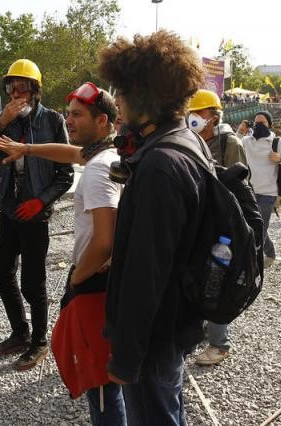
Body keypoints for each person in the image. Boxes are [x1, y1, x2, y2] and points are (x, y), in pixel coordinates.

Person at [0, 82, 125, 425]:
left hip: (94, 282)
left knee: (100, 383)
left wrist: (78, 277)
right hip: (109, 279)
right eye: (68, 114)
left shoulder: (98, 169)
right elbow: (69, 154)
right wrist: (27, 149)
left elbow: (104, 240)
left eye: (78, 115)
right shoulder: (108, 155)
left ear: (104, 122)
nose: (69, 121)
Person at [97, 30, 208, 425]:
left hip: (154, 337)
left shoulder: (160, 165)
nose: (118, 100)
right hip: (173, 323)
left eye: (122, 91)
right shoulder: (186, 141)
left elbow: (147, 271)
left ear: (143, 96)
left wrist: (126, 356)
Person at [0, 59, 74, 371]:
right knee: (2, 274)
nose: (16, 92)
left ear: (35, 90)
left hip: (36, 215)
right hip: (9, 210)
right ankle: (20, 332)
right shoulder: (6, 120)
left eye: (23, 86)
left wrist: (41, 202)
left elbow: (65, 174)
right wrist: (1, 123)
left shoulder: (52, 121)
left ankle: (39, 342)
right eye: (11, 86)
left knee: (34, 282)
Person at [186, 89, 248, 366]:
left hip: (224, 223)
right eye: (192, 114)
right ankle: (200, 332)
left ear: (213, 116)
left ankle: (220, 344)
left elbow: (241, 183)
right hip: (202, 219)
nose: (194, 118)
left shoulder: (229, 142)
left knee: (216, 280)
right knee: (199, 277)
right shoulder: (193, 140)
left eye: (199, 114)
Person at [242, 111, 281, 267]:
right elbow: (233, 147)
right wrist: (239, 131)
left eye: (263, 123)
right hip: (250, 190)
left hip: (269, 192)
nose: (259, 125)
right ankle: (270, 252)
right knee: (253, 225)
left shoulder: (277, 142)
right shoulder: (247, 141)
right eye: (256, 122)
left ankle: (255, 260)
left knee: (259, 227)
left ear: (269, 124)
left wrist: (280, 159)